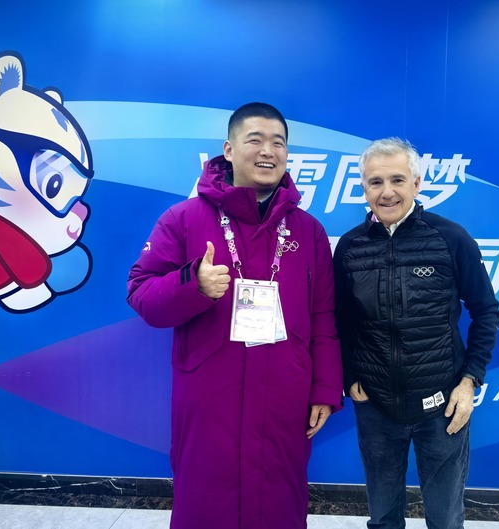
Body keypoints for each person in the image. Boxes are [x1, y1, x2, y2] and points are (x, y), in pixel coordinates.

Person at [127, 102, 343, 529]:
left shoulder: (308, 231)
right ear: (228, 149)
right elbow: (141, 293)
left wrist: (324, 389)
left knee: (279, 504)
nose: (268, 151)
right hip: (210, 398)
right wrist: (193, 284)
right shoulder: (184, 219)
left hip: (285, 398)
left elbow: (323, 317)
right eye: (255, 140)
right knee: (207, 502)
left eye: (278, 143)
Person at [333, 137, 499, 529]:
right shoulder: (350, 247)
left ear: (417, 183)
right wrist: (350, 377)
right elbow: (339, 321)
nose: (387, 192)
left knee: (445, 519)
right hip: (375, 405)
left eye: (397, 180)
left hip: (442, 404)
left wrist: (469, 382)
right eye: (376, 182)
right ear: (363, 187)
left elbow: (486, 311)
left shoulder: (451, 238)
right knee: (383, 519)